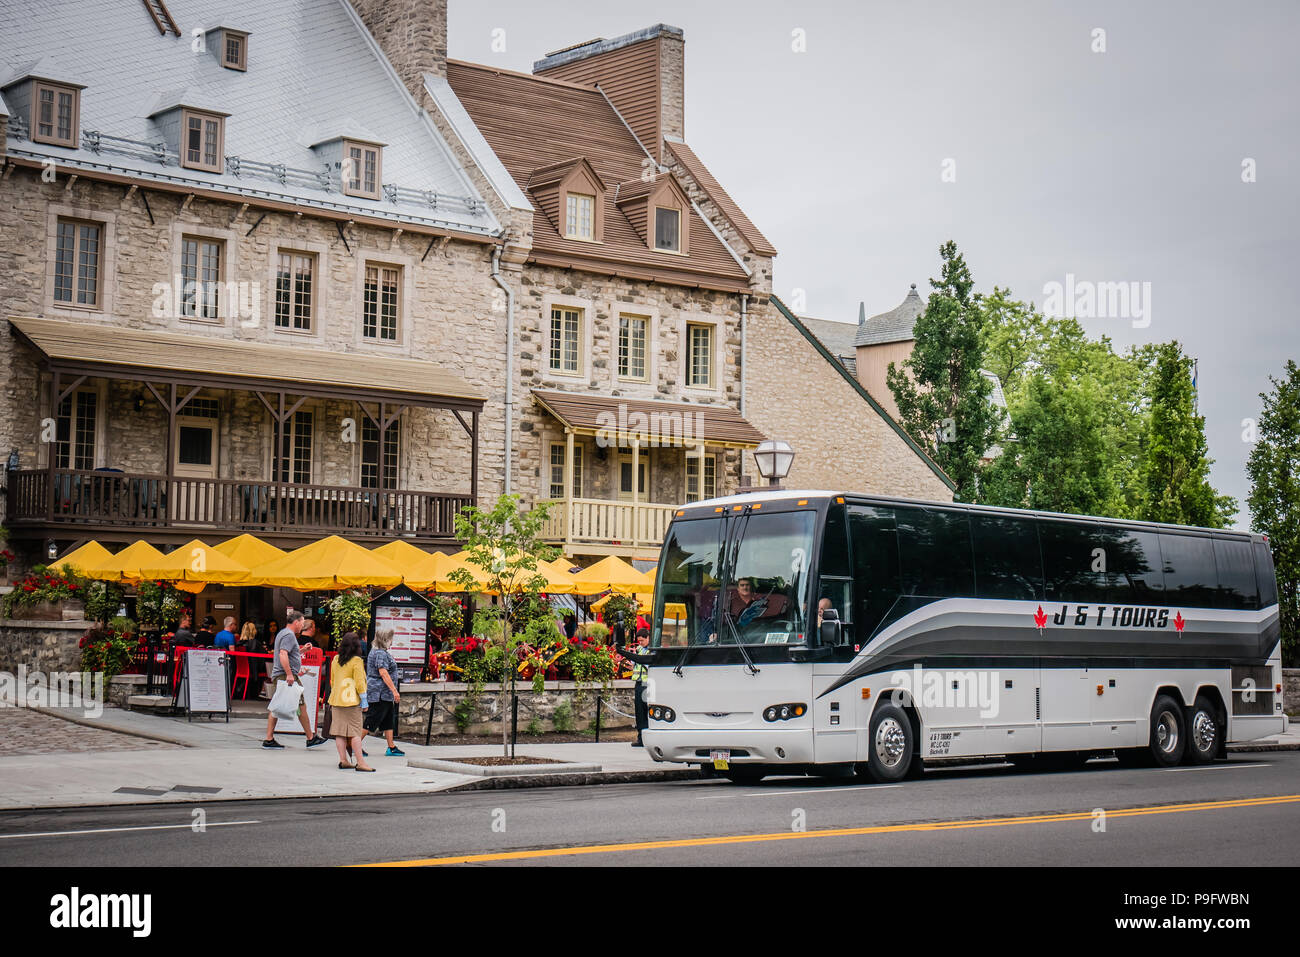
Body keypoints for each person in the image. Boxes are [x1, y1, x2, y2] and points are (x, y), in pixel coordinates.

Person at [263, 610, 328, 749]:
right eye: (302, 623)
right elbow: (283, 654)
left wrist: (303, 650)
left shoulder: (283, 633)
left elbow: (288, 653)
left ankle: (270, 738)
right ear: (296, 621)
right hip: (286, 675)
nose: (302, 626)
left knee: (278, 705)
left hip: (283, 674)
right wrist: (289, 674)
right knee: (299, 705)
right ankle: (310, 737)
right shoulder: (289, 635)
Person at [327, 633, 374, 772]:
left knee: (339, 733)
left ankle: (344, 760)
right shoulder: (357, 661)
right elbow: (360, 683)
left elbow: (332, 681)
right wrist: (364, 701)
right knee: (355, 733)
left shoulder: (336, 659)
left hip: (336, 700)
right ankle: (361, 762)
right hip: (352, 701)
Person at [363, 627, 404, 756]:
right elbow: (383, 672)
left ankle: (391, 747)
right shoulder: (380, 653)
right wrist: (394, 691)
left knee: (387, 720)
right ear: (385, 639)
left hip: (383, 693)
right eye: (391, 639)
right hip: (379, 693)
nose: (392, 642)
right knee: (372, 720)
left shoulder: (377, 651)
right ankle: (354, 744)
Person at [630, 627, 651, 748]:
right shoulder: (638, 650)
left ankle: (648, 738)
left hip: (648, 684)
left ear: (648, 638)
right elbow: (634, 666)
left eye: (642, 641)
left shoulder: (652, 651)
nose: (640, 643)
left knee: (647, 710)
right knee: (639, 711)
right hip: (639, 683)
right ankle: (641, 738)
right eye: (639, 641)